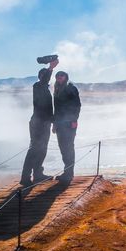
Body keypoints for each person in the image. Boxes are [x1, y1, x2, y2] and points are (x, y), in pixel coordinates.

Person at [20, 59, 58, 187]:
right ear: (41, 77)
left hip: (44, 122)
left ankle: (38, 174)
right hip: (38, 122)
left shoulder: (46, 90)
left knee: (42, 149)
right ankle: (25, 177)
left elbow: (49, 108)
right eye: (44, 76)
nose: (46, 78)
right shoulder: (37, 86)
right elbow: (44, 80)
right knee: (34, 149)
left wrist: (53, 122)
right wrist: (51, 67)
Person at [53, 71, 81, 185]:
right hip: (60, 123)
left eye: (61, 76)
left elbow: (77, 105)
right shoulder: (57, 89)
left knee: (68, 147)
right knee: (62, 147)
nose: (59, 78)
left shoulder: (71, 88)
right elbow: (56, 108)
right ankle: (67, 172)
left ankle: (69, 174)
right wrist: (54, 123)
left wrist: (74, 120)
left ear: (66, 77)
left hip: (69, 123)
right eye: (57, 76)